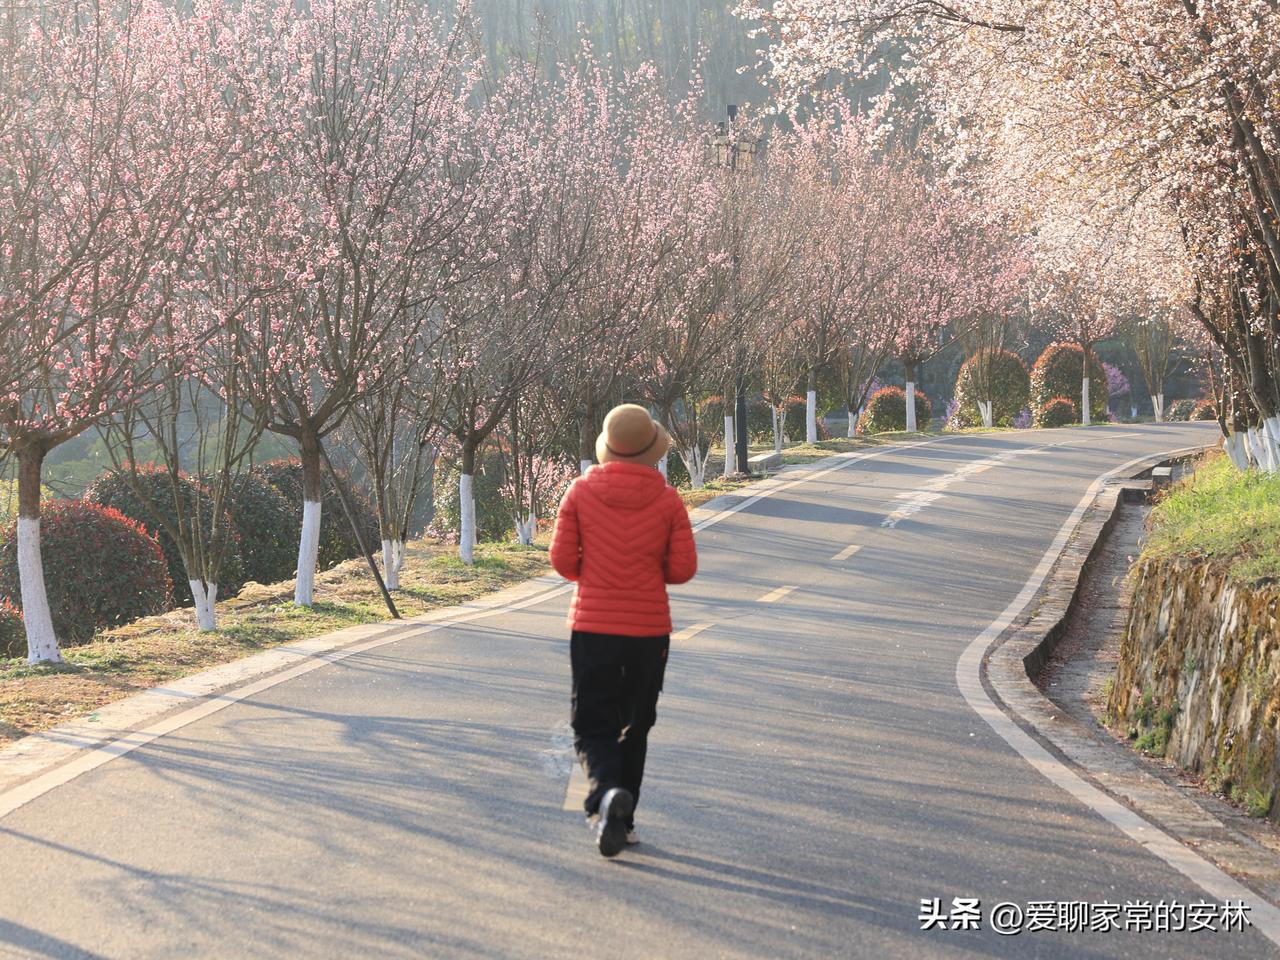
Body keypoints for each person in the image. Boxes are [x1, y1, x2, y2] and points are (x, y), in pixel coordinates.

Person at [550, 403, 698, 857]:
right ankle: (625, 819)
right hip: (649, 631)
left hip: (592, 627)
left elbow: (562, 561)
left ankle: (604, 797)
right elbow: (682, 569)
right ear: (651, 451)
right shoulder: (669, 499)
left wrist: (595, 574)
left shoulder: (579, 492)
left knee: (593, 722)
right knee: (636, 725)